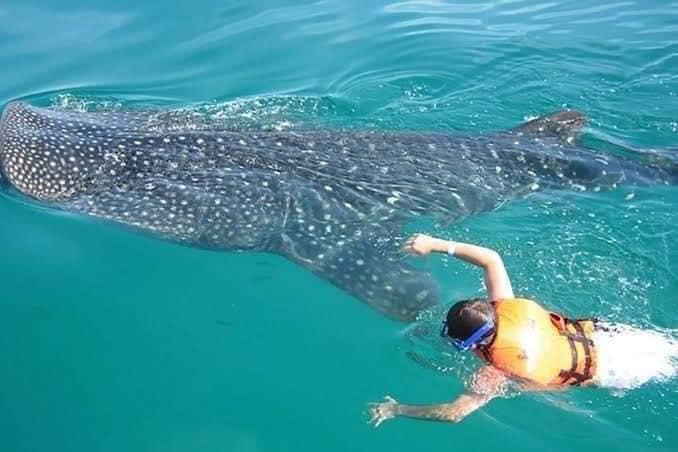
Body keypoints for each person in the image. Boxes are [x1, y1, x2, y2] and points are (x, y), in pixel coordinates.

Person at [368, 233, 677, 426]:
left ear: (475, 343)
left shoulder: (496, 369)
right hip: (613, 338)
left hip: (617, 370)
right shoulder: (508, 305)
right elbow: (491, 259)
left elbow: (454, 413)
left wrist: (398, 410)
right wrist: (435, 244)